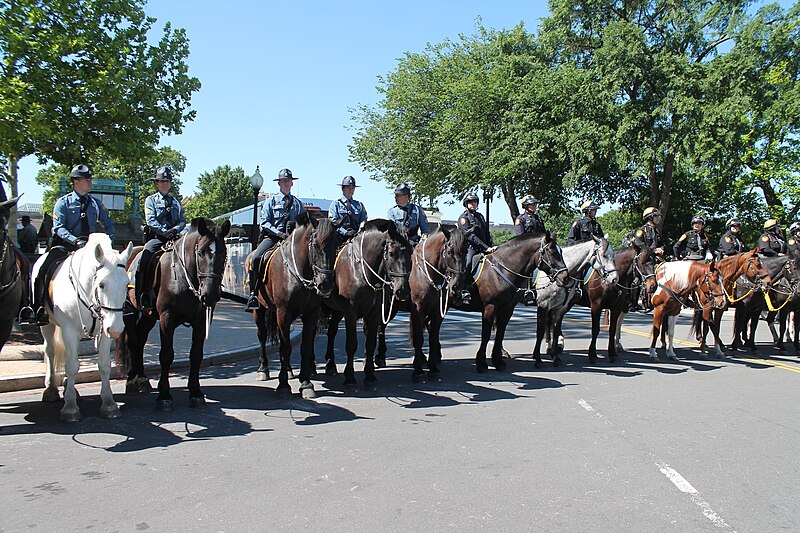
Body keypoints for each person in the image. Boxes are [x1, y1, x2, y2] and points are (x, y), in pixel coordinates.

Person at [19, 164, 115, 325]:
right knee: (43, 268)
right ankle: (37, 308)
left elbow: (109, 224)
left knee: (114, 269)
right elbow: (58, 228)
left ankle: (118, 305)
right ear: (76, 181)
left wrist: (108, 241)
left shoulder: (96, 204)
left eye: (90, 178)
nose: (90, 182)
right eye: (87, 179)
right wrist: (75, 240)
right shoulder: (63, 203)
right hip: (65, 246)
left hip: (89, 248)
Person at [245, 168, 306, 310]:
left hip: (292, 240)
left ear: (291, 183)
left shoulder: (298, 204)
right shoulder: (270, 201)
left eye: (288, 181)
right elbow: (265, 222)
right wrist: (279, 234)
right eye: (283, 181)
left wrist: (296, 229)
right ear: (279, 183)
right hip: (272, 238)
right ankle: (253, 293)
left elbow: (305, 223)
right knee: (255, 259)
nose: (286, 183)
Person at [136, 166, 187, 310]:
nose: (164, 184)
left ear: (170, 183)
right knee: (144, 259)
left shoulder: (176, 202)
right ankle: (142, 294)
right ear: (157, 183)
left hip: (175, 238)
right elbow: (150, 220)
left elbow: (183, 220)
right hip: (157, 238)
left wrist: (175, 230)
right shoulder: (150, 200)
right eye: (161, 181)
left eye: (167, 181)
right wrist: (165, 232)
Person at [458, 192, 497, 267]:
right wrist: (486, 247)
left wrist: (492, 246)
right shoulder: (464, 218)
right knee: (467, 264)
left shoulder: (480, 216)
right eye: (470, 202)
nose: (473, 203)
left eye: (475, 201)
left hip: (484, 248)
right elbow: (470, 236)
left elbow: (486, 232)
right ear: (466, 204)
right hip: (471, 249)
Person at [328, 175, 367, 241]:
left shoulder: (359, 205)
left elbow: (363, 220)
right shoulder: (336, 204)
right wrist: (345, 232)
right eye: (348, 187)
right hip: (340, 238)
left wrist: (359, 231)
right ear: (343, 189)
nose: (351, 190)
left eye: (353, 188)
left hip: (356, 238)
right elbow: (333, 222)